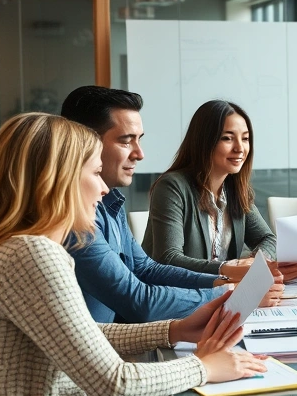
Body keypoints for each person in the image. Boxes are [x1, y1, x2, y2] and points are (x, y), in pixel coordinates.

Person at [0, 113, 268, 396]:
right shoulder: (32, 255)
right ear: (57, 181)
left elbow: (80, 333)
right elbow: (116, 385)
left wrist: (174, 330)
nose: (104, 189)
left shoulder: (3, 246)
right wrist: (203, 367)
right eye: (95, 173)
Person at [61, 86, 284, 324]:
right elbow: (140, 299)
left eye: (139, 140)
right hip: (119, 335)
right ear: (85, 144)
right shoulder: (74, 215)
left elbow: (147, 269)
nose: (140, 154)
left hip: (127, 331)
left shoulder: (111, 202)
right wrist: (234, 293)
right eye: (126, 141)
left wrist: (226, 279)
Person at [143, 100, 297, 279]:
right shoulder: (172, 187)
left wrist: (253, 263)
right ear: (204, 141)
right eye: (227, 138)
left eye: (245, 139)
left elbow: (268, 239)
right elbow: (168, 259)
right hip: (175, 292)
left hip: (224, 289)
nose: (240, 148)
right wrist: (229, 269)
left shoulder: (236, 190)